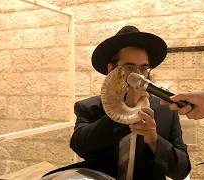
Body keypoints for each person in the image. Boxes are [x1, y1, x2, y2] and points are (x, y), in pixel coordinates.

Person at [68, 26, 191, 180]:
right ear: (112, 69)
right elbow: (80, 147)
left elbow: (181, 171)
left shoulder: (165, 110)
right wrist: (125, 110)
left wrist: (154, 141)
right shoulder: (89, 108)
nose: (138, 76)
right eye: (129, 67)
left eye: (144, 68)